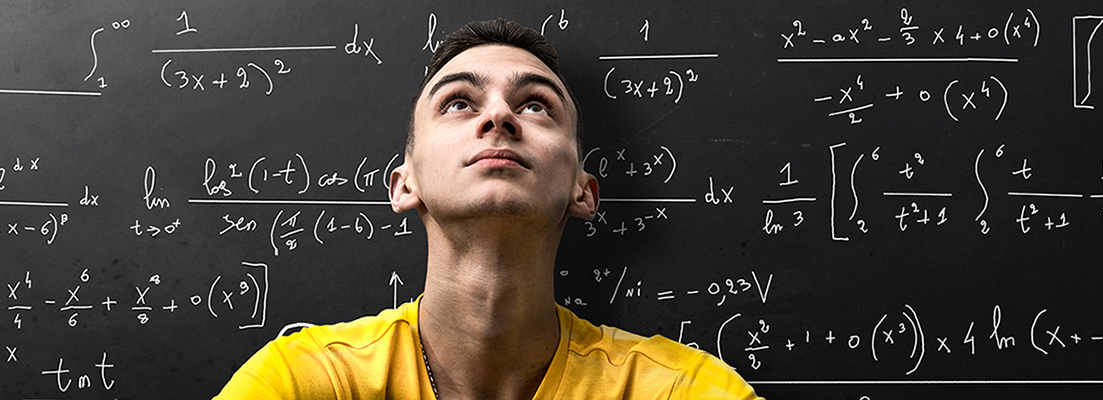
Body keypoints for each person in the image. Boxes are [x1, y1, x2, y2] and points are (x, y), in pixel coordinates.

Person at [215, 18, 763, 400]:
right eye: (458, 102)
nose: (499, 116)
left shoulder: (676, 389)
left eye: (536, 105)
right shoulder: (307, 381)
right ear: (405, 184)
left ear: (582, 191)